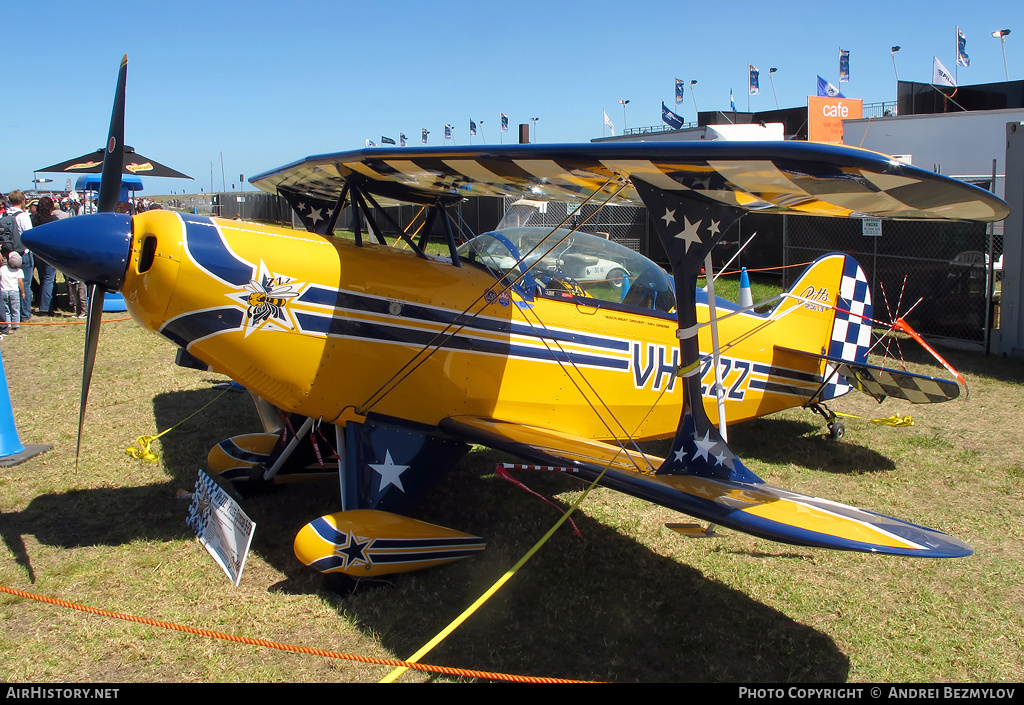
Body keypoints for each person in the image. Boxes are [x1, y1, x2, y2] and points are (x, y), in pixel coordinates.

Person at [4, 191, 34, 320]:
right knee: (25, 283)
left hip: (8, 252)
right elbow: (29, 235)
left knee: (9, 283)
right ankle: (25, 313)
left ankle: (10, 313)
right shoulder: (23, 216)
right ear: (23, 200)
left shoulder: (5, 215)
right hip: (23, 252)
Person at [31, 197, 58, 315]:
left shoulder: (34, 219)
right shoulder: (53, 220)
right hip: (50, 252)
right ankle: (45, 307)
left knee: (44, 279)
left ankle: (43, 303)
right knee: (49, 280)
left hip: (38, 252)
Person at [0, 251, 25, 334]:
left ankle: (7, 324)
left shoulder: (3, 269)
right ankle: (16, 324)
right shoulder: (19, 271)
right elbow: (20, 282)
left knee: (6, 309)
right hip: (14, 291)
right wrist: (22, 292)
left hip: (3, 291)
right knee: (15, 309)